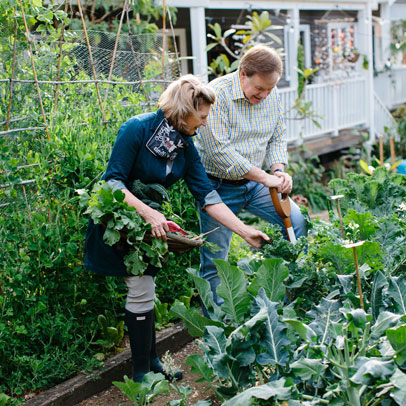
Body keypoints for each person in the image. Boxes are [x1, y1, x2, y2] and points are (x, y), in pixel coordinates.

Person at [84, 74, 269, 383]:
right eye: (202, 116)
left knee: (145, 288)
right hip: (120, 221)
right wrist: (147, 213)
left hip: (149, 228)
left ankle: (152, 362)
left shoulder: (183, 145)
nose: (205, 123)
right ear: (184, 109)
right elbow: (112, 180)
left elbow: (207, 195)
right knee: (140, 289)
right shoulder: (137, 129)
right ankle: (142, 371)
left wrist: (244, 230)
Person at [194, 45, 307, 307]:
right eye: (260, 89)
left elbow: (278, 135)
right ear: (243, 74)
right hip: (217, 186)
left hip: (256, 184)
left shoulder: (272, 93)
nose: (265, 94)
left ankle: (291, 296)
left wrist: (278, 171)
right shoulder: (217, 95)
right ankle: (219, 326)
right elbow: (219, 151)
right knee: (215, 259)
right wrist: (265, 177)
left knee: (297, 223)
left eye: (270, 89)